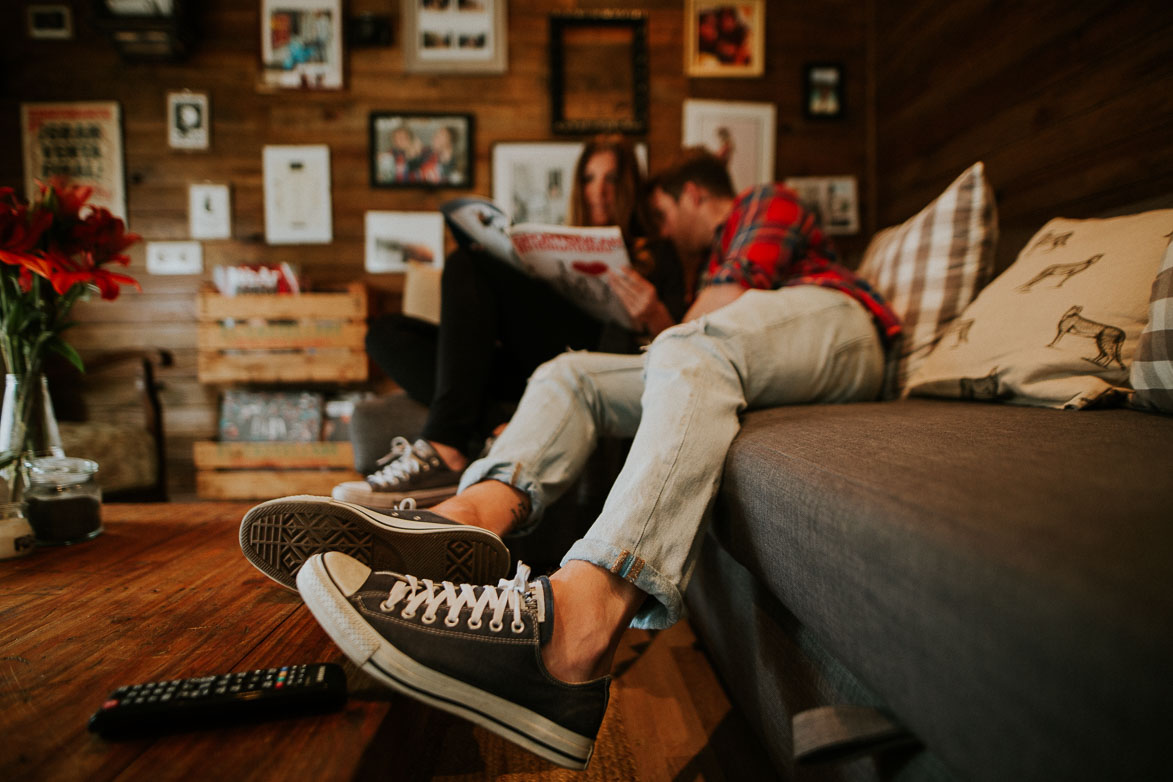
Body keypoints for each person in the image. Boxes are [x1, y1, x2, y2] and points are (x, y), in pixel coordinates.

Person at [240, 149, 901, 769]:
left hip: (842, 329)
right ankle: (467, 517)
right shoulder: (708, 257)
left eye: (663, 212)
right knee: (568, 376)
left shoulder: (764, 202)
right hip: (757, 357)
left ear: (694, 192)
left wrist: (658, 317)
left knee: (685, 349)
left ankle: (576, 631)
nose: (664, 227)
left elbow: (708, 321)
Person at [337, 135, 685, 508]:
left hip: (594, 357)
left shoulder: (660, 254)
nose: (597, 191)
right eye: (588, 178)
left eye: (611, 179)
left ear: (629, 186)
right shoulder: (556, 242)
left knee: (466, 263)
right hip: (529, 362)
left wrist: (653, 314)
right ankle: (493, 427)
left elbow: (682, 352)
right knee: (385, 335)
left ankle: (446, 446)